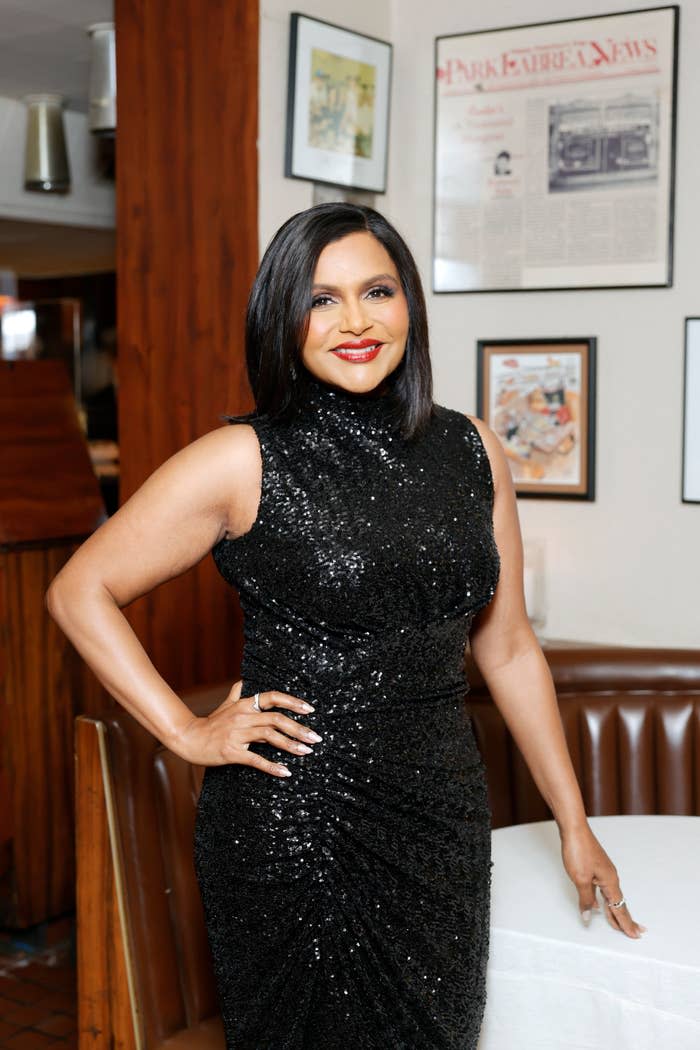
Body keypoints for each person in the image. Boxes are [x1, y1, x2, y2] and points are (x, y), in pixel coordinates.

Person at [46, 202, 645, 1049]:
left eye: (377, 291)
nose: (356, 321)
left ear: (410, 306)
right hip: (296, 826)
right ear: (282, 319)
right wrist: (184, 730)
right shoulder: (243, 459)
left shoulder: (475, 450)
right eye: (321, 300)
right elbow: (80, 590)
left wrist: (573, 825)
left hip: (441, 821)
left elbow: (507, 648)